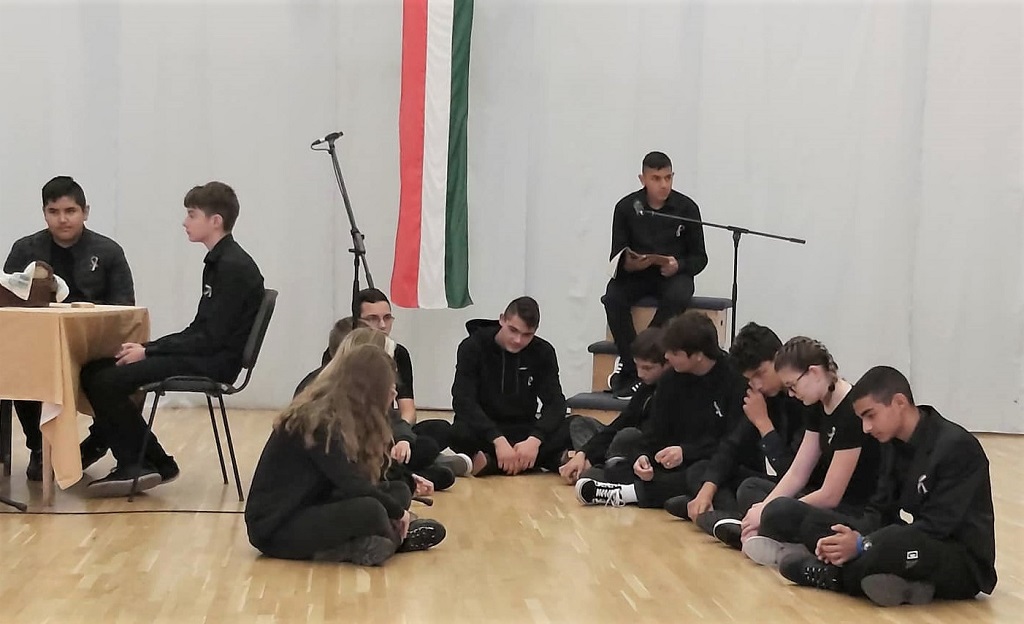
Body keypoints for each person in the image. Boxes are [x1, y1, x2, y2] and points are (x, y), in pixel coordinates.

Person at [79, 181, 264, 497]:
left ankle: (137, 462)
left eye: (192, 215)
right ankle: (155, 461)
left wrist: (148, 352)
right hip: (206, 352)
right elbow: (201, 329)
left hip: (215, 362)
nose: (185, 222)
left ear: (215, 221)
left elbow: (210, 338)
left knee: (106, 381)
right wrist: (148, 348)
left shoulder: (232, 267)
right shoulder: (220, 261)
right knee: (94, 371)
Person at [769, 366, 996, 607]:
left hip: (960, 560)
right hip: (912, 540)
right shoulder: (891, 443)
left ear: (899, 402)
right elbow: (879, 511)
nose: (866, 428)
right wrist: (850, 537)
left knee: (892, 545)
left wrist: (862, 544)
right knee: (802, 517)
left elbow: (936, 527)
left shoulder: (956, 447)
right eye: (862, 419)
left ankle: (834, 575)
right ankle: (895, 581)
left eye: (870, 415)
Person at [245, 343, 446, 565]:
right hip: (277, 528)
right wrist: (399, 513)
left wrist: (407, 481)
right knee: (372, 510)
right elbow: (351, 483)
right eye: (387, 387)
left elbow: (367, 475)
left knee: (398, 490)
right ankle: (390, 539)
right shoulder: (318, 421)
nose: (394, 393)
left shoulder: (345, 415)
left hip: (314, 502)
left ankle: (383, 538)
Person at [1, 175, 135, 481]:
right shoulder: (25, 249)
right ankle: (40, 448)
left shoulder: (109, 251)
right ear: (44, 213)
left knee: (117, 375)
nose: (62, 219)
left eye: (70, 211)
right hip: (37, 348)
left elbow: (124, 308)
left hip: (93, 349)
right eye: (54, 212)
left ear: (85, 212)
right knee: (19, 369)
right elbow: (7, 302)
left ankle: (98, 442)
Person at [723, 337, 881, 561]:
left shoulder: (850, 412)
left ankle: (775, 541)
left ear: (814, 373)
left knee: (780, 511)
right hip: (821, 501)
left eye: (792, 386)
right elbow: (798, 472)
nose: (791, 394)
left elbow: (831, 495)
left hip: (851, 509)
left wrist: (769, 510)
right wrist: (764, 507)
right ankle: (764, 534)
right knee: (751, 488)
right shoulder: (816, 405)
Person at [575, 311, 744, 508]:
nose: (666, 356)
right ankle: (642, 489)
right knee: (625, 461)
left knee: (699, 473)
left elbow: (732, 443)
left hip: (712, 462)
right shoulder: (671, 379)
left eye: (674, 353)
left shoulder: (734, 381)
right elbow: (654, 432)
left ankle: (626, 493)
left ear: (698, 355)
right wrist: (643, 457)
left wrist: (685, 452)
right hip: (671, 461)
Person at [665, 323, 805, 531]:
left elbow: (794, 474)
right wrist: (707, 490)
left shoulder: (805, 400)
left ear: (779, 357)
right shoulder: (766, 396)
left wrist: (763, 424)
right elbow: (733, 443)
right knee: (702, 471)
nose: (757, 385)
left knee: (750, 489)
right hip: (778, 485)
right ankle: (721, 515)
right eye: (750, 379)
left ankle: (726, 518)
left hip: (805, 492)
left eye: (760, 373)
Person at [603, 151, 707, 399]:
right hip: (636, 275)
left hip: (671, 275)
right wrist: (630, 264)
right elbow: (616, 255)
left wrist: (678, 265)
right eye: (656, 178)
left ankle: (647, 352)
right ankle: (631, 362)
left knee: (679, 294)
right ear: (643, 179)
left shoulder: (687, 208)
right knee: (613, 297)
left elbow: (700, 258)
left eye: (668, 178)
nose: (663, 185)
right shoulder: (626, 207)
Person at [443, 296, 572, 476]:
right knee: (456, 432)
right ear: (502, 319)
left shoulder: (543, 352)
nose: (518, 340)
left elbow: (555, 402)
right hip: (485, 430)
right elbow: (463, 400)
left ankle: (490, 463)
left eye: (527, 335)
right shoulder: (473, 346)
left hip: (525, 431)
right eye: (513, 330)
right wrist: (497, 439)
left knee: (573, 425)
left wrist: (535, 440)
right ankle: (545, 461)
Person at [559, 328, 669, 484]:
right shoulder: (646, 387)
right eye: (637, 366)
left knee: (628, 436)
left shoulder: (670, 391)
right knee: (580, 424)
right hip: (618, 446)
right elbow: (621, 422)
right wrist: (584, 453)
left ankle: (594, 469)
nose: (640, 374)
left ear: (667, 364)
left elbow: (650, 437)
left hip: (641, 450)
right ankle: (585, 464)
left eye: (647, 368)